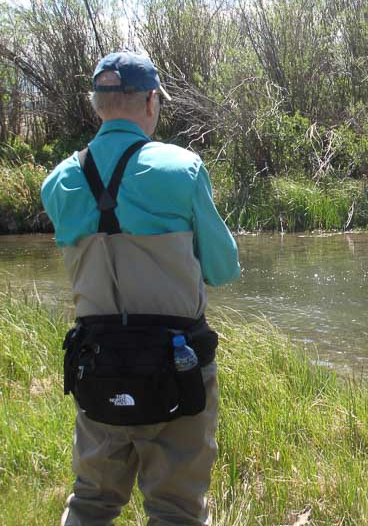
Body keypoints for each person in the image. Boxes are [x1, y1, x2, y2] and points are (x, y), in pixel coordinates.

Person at [41, 51, 240, 525]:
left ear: (97, 106)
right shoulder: (183, 169)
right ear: (151, 101)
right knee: (176, 511)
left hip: (98, 368)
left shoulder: (57, 183)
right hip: (177, 369)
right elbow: (223, 268)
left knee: (90, 501)